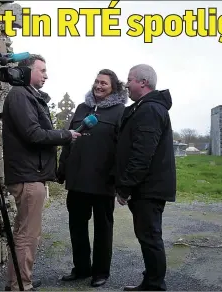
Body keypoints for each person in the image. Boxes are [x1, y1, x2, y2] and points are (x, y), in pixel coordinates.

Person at [2, 54, 81, 291]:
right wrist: (66, 135)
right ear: (27, 71)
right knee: (29, 234)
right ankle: (21, 285)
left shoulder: (26, 96)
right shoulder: (20, 95)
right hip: (28, 176)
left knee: (23, 231)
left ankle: (16, 281)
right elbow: (33, 134)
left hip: (30, 174)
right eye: (42, 70)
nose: (46, 75)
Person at [57, 69, 127, 287]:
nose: (98, 86)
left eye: (104, 83)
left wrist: (118, 179)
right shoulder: (82, 108)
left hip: (103, 180)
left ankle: (100, 272)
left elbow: (122, 148)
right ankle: (81, 268)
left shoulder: (120, 112)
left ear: (113, 87)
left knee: (103, 228)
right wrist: (62, 168)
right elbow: (70, 139)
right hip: (77, 179)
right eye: (97, 82)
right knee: (76, 225)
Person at [114, 64, 176, 291]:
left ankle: (155, 285)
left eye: (129, 80)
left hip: (148, 189)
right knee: (147, 235)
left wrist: (125, 187)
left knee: (150, 237)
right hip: (146, 188)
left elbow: (142, 154)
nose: (126, 84)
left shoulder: (149, 110)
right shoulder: (144, 107)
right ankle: (152, 278)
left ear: (143, 82)